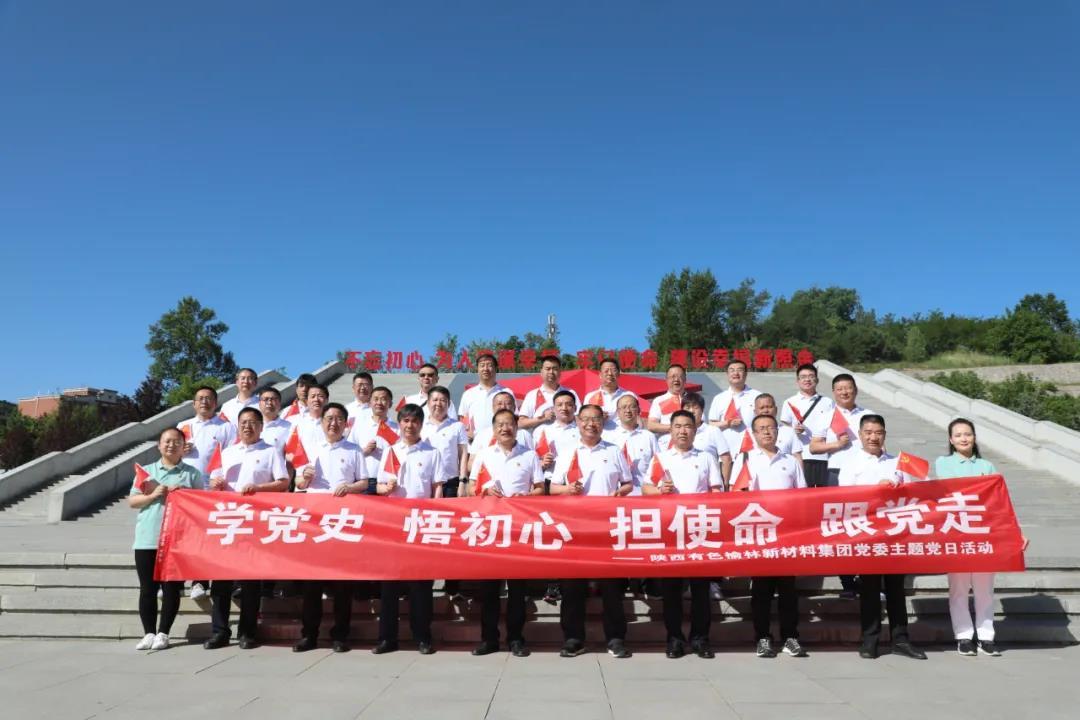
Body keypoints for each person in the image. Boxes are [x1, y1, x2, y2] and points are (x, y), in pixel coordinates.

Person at [935, 418, 1026, 657]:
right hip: (957, 532)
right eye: (958, 435)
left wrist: (1016, 532)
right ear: (951, 440)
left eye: (967, 434)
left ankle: (986, 636)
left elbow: (1000, 501)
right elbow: (952, 490)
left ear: (974, 437)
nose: (963, 438)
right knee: (959, 588)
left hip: (985, 534)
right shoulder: (943, 463)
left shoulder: (987, 465)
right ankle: (964, 636)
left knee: (985, 589)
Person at [838, 414, 927, 661]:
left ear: (884, 435)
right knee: (869, 589)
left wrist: (900, 488)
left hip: (895, 535)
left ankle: (901, 639)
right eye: (868, 432)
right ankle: (870, 640)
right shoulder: (850, 462)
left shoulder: (898, 462)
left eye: (878, 432)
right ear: (860, 434)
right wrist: (876, 489)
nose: (873, 437)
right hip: (867, 534)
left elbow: (916, 492)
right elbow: (844, 497)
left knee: (896, 589)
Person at [550, 404, 633, 658]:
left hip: (607, 529)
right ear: (577, 422)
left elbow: (628, 483)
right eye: (585, 419)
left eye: (595, 419)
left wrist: (620, 492)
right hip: (574, 529)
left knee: (612, 587)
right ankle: (573, 638)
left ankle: (615, 638)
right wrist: (567, 490)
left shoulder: (614, 450)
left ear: (602, 422)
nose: (590, 424)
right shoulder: (567, 451)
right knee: (572, 587)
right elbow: (553, 488)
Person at [204, 407, 289, 650]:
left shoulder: (271, 451)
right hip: (228, 521)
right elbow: (213, 483)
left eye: (252, 423)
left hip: (255, 523)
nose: (247, 427)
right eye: (243, 423)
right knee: (220, 582)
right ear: (237, 426)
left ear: (261, 427)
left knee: (251, 582)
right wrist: (215, 483)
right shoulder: (227, 452)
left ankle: (247, 632)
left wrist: (259, 489)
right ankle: (220, 631)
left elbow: (283, 482)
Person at [642, 410, 722, 659]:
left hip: (699, 530)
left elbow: (717, 490)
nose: (682, 431)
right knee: (672, 590)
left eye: (687, 426)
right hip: (670, 531)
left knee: (700, 591)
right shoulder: (661, 458)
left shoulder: (706, 457)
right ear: (671, 430)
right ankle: (674, 639)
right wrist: (659, 492)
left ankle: (700, 639)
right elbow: (645, 488)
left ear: (695, 430)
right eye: (677, 426)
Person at [292, 402, 368, 653]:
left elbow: (364, 482)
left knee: (342, 585)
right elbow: (298, 483)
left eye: (338, 419)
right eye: (329, 418)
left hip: (343, 522)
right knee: (311, 585)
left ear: (345, 424)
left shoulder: (354, 450)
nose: (333, 423)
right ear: (322, 422)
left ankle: (340, 635)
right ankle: (309, 635)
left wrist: (350, 487)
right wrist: (304, 479)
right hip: (315, 523)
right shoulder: (311, 447)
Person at [374, 404, 448, 654]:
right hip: (394, 525)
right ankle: (387, 638)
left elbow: (437, 488)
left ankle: (422, 637)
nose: (410, 425)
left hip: (421, 525)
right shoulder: (391, 451)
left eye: (415, 421)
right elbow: (380, 486)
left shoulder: (432, 452)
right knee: (389, 585)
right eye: (405, 421)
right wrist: (385, 489)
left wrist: (435, 514)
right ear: (399, 423)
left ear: (421, 424)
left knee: (421, 586)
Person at [732, 414, 808, 659]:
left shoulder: (791, 461)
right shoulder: (745, 459)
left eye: (771, 428)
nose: (766, 432)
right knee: (761, 590)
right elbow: (735, 494)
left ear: (778, 431)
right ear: (754, 434)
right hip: (759, 532)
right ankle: (762, 638)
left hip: (786, 534)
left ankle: (790, 637)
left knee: (788, 590)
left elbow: (803, 496)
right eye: (761, 428)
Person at [470, 409, 544, 657]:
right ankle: (489, 639)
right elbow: (471, 488)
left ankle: (516, 639)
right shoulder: (484, 455)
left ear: (516, 427)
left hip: (518, 529)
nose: (505, 428)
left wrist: (528, 496)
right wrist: (484, 491)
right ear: (494, 429)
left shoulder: (529, 455)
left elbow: (540, 489)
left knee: (517, 590)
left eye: (509, 424)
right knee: (489, 589)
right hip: (490, 529)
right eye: (500, 424)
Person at [129, 428, 200, 651]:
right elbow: (133, 501)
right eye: (167, 441)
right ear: (159, 446)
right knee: (147, 589)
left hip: (177, 540)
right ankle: (148, 633)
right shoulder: (147, 472)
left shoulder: (192, 474)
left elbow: (201, 504)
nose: (171, 445)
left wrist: (184, 494)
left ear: (183, 446)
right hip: (148, 537)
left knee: (171, 589)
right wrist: (153, 495)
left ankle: (163, 633)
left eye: (177, 441)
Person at [808, 373, 874, 598]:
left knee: (866, 525)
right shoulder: (825, 416)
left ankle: (867, 580)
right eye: (840, 389)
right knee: (840, 528)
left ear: (855, 390)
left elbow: (879, 443)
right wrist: (836, 444)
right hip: (836, 474)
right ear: (834, 392)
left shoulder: (868, 415)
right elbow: (814, 447)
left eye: (848, 388)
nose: (845, 392)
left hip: (865, 474)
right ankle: (847, 582)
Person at [178, 385, 234, 599]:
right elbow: (169, 454)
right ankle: (176, 582)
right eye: (200, 398)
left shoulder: (226, 427)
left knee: (206, 536)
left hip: (212, 489)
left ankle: (200, 582)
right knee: (184, 536)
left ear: (216, 403)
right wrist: (180, 451)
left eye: (209, 398)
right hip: (185, 488)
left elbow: (230, 456)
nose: (204, 402)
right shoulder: (183, 426)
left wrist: (219, 480)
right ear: (193, 403)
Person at [657, 393, 733, 485]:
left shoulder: (713, 431)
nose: (691, 411)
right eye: (688, 407)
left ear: (702, 410)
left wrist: (725, 484)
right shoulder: (676, 433)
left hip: (707, 484)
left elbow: (726, 459)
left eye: (695, 407)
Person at [467, 391, 534, 493]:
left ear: (514, 407)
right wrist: (491, 469)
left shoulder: (524, 434)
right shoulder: (482, 434)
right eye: (499, 404)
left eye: (508, 403)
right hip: (488, 490)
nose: (503, 406)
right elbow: (471, 464)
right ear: (493, 407)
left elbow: (531, 463)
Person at [779, 364, 833, 488]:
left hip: (823, 456)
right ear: (797, 381)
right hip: (800, 455)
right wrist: (794, 430)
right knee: (803, 492)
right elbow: (786, 429)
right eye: (803, 377)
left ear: (817, 380)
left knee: (823, 493)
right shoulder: (789, 402)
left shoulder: (828, 402)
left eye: (811, 376)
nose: (807, 379)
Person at [603, 394, 659, 495]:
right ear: (618, 412)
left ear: (638, 410)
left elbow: (658, 465)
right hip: (616, 495)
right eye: (624, 407)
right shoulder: (608, 436)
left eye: (632, 407)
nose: (628, 411)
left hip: (643, 496)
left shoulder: (649, 436)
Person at [420, 386, 469, 498]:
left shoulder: (457, 426)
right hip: (426, 482)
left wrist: (463, 482)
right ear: (428, 403)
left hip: (450, 483)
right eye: (435, 400)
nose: (438, 403)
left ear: (449, 404)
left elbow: (463, 455)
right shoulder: (420, 426)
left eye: (443, 400)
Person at [707, 359, 761, 453]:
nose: (736, 373)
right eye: (732, 370)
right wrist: (727, 423)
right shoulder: (719, 398)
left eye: (740, 370)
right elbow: (712, 424)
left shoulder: (757, 396)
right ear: (727, 374)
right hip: (726, 450)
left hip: (753, 449)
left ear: (746, 374)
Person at [349, 385, 400, 481]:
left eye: (383, 399)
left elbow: (401, 455)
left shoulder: (397, 428)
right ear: (370, 403)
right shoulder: (359, 426)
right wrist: (364, 451)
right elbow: (349, 453)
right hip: (363, 480)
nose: (379, 403)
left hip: (388, 481)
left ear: (390, 404)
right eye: (376, 399)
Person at [518, 355, 580, 431]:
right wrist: (543, 418)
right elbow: (521, 423)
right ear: (541, 372)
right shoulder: (532, 395)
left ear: (560, 372)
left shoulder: (570, 393)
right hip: (540, 438)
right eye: (548, 369)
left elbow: (580, 418)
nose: (551, 372)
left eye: (555, 369)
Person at [457, 353, 510, 440]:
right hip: (474, 442)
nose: (485, 369)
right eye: (482, 365)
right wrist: (466, 432)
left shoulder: (507, 392)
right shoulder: (468, 394)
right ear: (477, 369)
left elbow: (514, 417)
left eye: (489, 365)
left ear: (496, 369)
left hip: (500, 442)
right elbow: (462, 417)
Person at [584, 357, 636, 431]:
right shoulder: (590, 397)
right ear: (600, 374)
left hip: (624, 435)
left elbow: (636, 418)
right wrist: (597, 418)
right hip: (599, 435)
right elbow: (584, 420)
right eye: (606, 371)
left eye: (613, 370)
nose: (610, 373)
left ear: (618, 374)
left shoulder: (629, 396)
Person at [645, 364, 688, 434]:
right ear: (666, 380)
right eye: (673, 376)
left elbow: (700, 422)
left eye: (680, 376)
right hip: (666, 439)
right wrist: (673, 427)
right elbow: (651, 425)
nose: (676, 379)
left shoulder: (692, 399)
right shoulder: (659, 400)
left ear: (685, 379)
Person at [257, 385, 292, 453]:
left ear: (279, 404)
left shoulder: (289, 427)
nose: (269, 402)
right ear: (259, 404)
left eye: (273, 399)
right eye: (265, 399)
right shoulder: (252, 426)